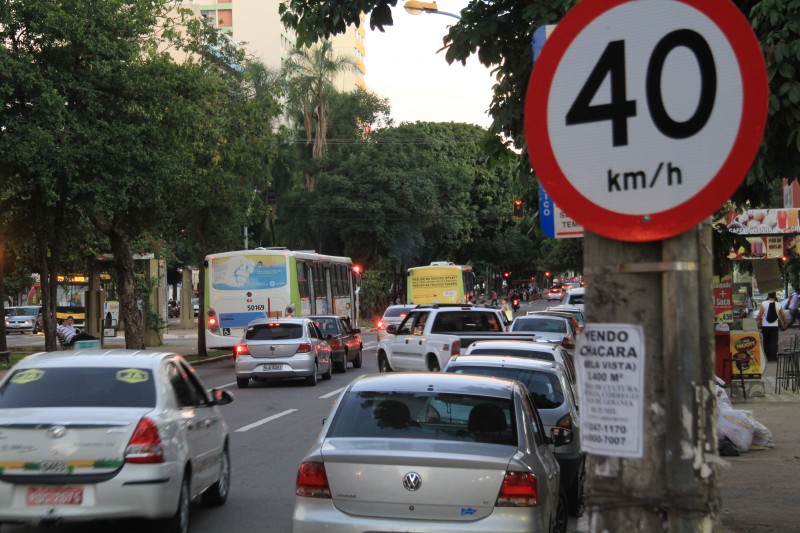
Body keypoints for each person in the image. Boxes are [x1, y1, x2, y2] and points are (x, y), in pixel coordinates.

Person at [756, 292, 786, 363]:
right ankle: (773, 358)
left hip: (765, 326)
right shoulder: (779, 304)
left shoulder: (763, 303)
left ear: (768, 296)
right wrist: (785, 323)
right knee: (774, 342)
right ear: (775, 296)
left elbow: (760, 314)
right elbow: (782, 315)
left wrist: (755, 320)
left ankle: (768, 357)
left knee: (766, 342)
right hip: (774, 327)